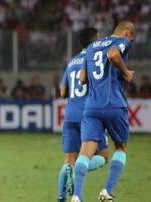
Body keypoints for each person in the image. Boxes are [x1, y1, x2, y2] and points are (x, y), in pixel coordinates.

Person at [71, 21, 136, 202]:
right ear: (127, 33)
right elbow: (113, 54)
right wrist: (125, 73)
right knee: (121, 147)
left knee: (85, 153)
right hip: (114, 104)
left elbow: (82, 79)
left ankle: (76, 196)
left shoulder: (91, 47)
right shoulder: (121, 42)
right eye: (132, 37)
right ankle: (107, 191)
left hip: (92, 107)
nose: (132, 41)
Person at [57, 27, 109, 202]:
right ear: (94, 40)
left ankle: (61, 198)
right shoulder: (95, 59)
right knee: (103, 157)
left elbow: (63, 91)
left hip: (71, 114)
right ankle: (79, 167)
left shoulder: (71, 62)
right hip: (89, 115)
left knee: (67, 161)